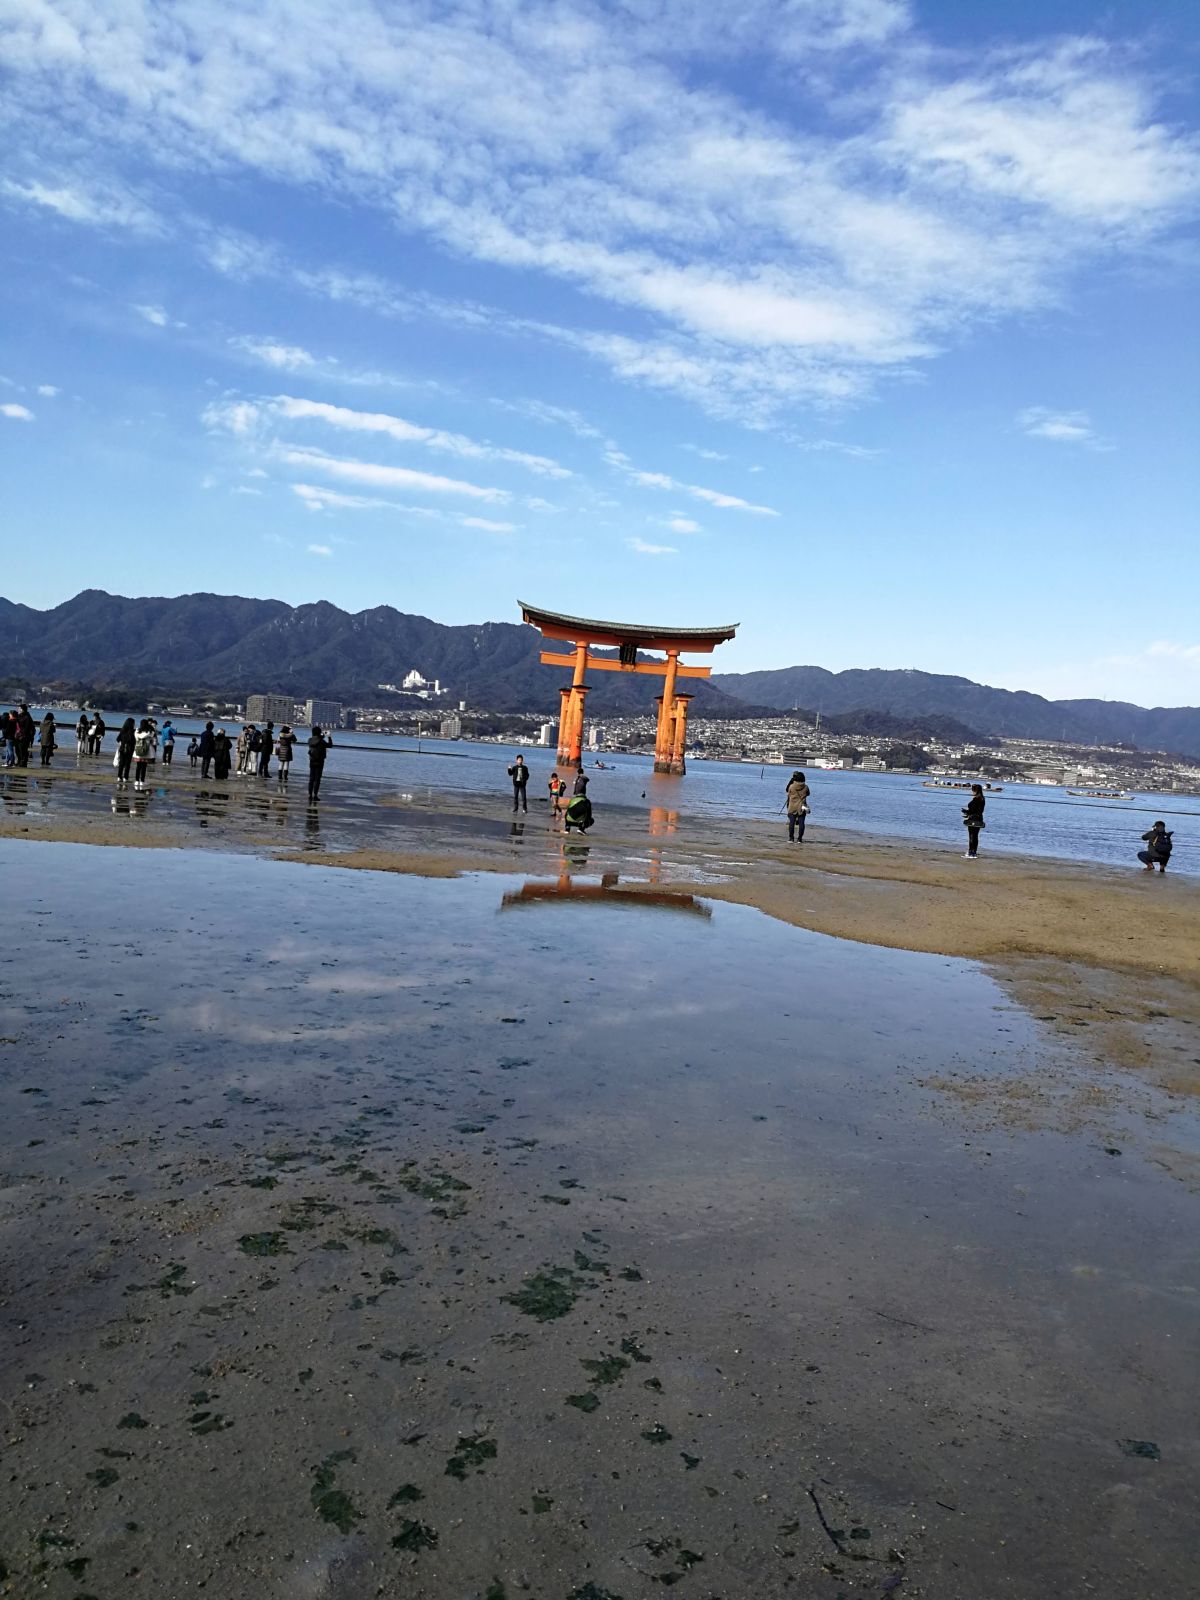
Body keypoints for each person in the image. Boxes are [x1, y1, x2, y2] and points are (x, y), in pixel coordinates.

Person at [307, 725, 332, 803]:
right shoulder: (321, 741)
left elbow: (316, 740)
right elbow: (330, 745)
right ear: (319, 733)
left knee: (311, 778)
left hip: (312, 760)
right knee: (317, 779)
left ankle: (310, 795)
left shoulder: (310, 740)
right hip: (320, 761)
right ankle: (315, 795)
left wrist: (321, 736)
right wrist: (329, 737)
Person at [785, 770, 810, 843]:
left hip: (792, 806)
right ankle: (799, 839)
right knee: (801, 823)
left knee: (791, 823)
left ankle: (791, 838)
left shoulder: (791, 786)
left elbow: (788, 792)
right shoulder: (806, 787)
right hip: (802, 807)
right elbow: (808, 794)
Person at [962, 784, 986, 859]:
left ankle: (970, 852)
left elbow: (973, 810)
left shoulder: (976, 799)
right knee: (975, 836)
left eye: (973, 790)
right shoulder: (982, 798)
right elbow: (980, 810)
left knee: (971, 836)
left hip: (973, 819)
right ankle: (974, 852)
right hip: (979, 819)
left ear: (975, 790)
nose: (972, 791)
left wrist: (966, 811)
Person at [132, 718, 155, 791]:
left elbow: (136, 738)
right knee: (144, 767)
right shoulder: (149, 732)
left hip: (138, 750)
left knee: (138, 766)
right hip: (146, 751)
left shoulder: (137, 731)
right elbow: (152, 736)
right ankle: (142, 781)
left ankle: (136, 781)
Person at [115, 716, 136, 787]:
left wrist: (122, 742)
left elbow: (117, 739)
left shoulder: (122, 730)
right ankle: (125, 777)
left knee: (121, 763)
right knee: (127, 764)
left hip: (122, 748)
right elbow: (133, 741)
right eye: (133, 723)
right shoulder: (132, 732)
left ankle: (119, 777)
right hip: (129, 749)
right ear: (131, 724)